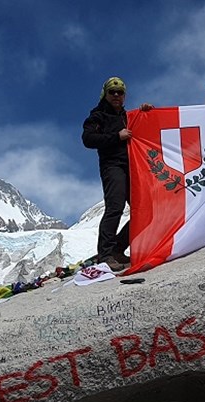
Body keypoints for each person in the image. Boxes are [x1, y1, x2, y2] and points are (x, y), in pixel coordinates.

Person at [82, 76, 152, 272]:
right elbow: (88, 139)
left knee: (145, 210)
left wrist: (145, 112)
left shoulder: (127, 116)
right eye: (112, 91)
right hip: (112, 166)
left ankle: (117, 249)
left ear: (124, 96)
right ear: (105, 94)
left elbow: (142, 124)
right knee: (115, 207)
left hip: (132, 166)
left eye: (119, 92)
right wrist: (116, 136)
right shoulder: (98, 116)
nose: (115, 95)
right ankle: (104, 256)